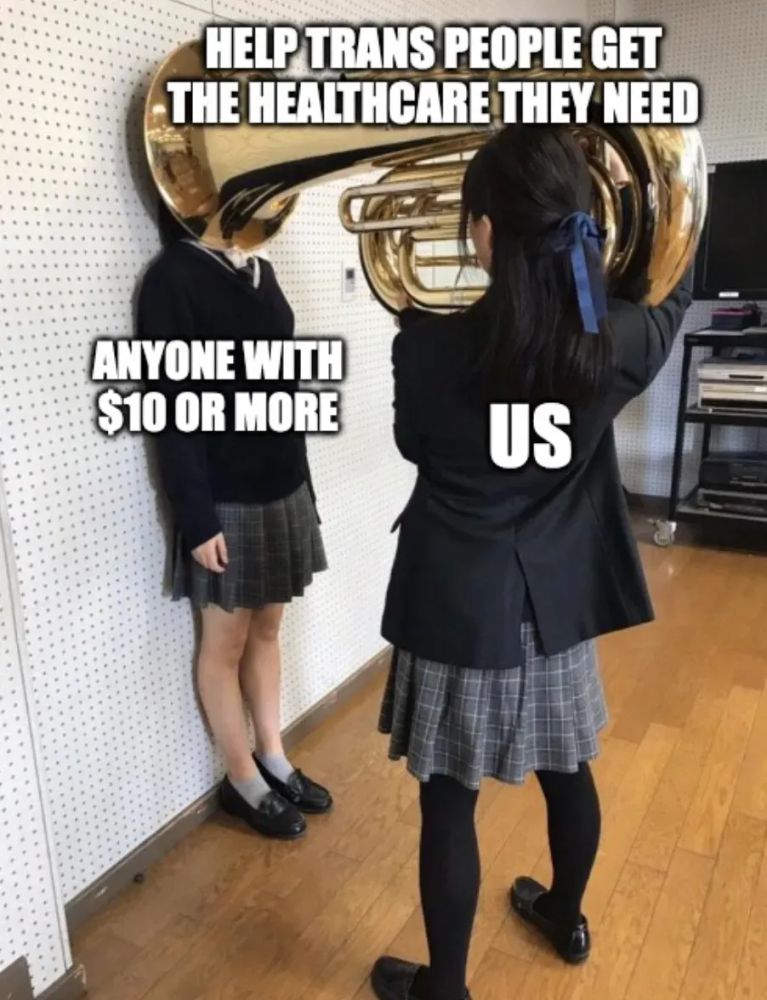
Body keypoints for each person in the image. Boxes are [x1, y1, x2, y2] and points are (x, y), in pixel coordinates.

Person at [370, 125, 692, 1000]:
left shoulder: (424, 345)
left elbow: (414, 444)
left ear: (480, 232)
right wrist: (636, 229)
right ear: (583, 226)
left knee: (447, 800)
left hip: (456, 603)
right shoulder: (617, 342)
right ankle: (565, 914)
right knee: (566, 769)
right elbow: (671, 283)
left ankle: (444, 987)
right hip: (551, 604)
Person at [137, 204, 332, 841]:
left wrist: (305, 486)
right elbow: (169, 406)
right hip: (224, 501)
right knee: (224, 645)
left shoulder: (258, 269)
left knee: (269, 628)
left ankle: (273, 757)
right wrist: (196, 518)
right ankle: (242, 779)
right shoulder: (173, 278)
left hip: (282, 484)